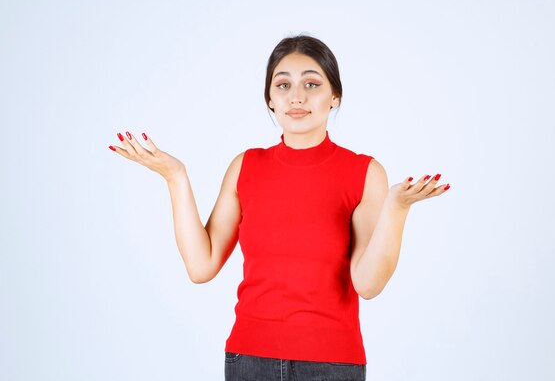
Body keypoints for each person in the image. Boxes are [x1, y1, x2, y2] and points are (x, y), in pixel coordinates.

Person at [108, 34, 450, 381]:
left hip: (332, 364)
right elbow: (201, 265)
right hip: (249, 360)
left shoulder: (364, 172)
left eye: (312, 84)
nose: (296, 97)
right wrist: (175, 177)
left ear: (335, 96)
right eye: (283, 85)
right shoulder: (246, 166)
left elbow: (368, 284)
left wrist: (397, 208)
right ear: (270, 100)